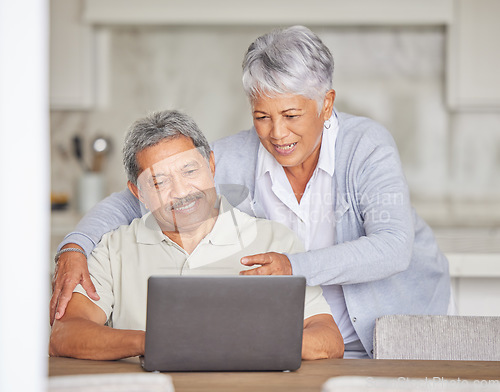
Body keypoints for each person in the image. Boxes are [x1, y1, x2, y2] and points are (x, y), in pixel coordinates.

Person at [50, 26, 451, 358]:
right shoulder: (234, 155)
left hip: (388, 329)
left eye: (291, 115)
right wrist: (75, 246)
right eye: (262, 116)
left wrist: (292, 268)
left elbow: (393, 247)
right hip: (295, 342)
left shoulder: (365, 146)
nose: (277, 134)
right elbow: (137, 196)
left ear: (326, 104)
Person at [49, 110, 344, 360]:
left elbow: (328, 338)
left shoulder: (275, 241)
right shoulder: (114, 248)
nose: (181, 193)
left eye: (190, 171)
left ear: (211, 166)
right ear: (138, 192)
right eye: (159, 181)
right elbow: (65, 334)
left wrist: (246, 346)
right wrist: (152, 342)